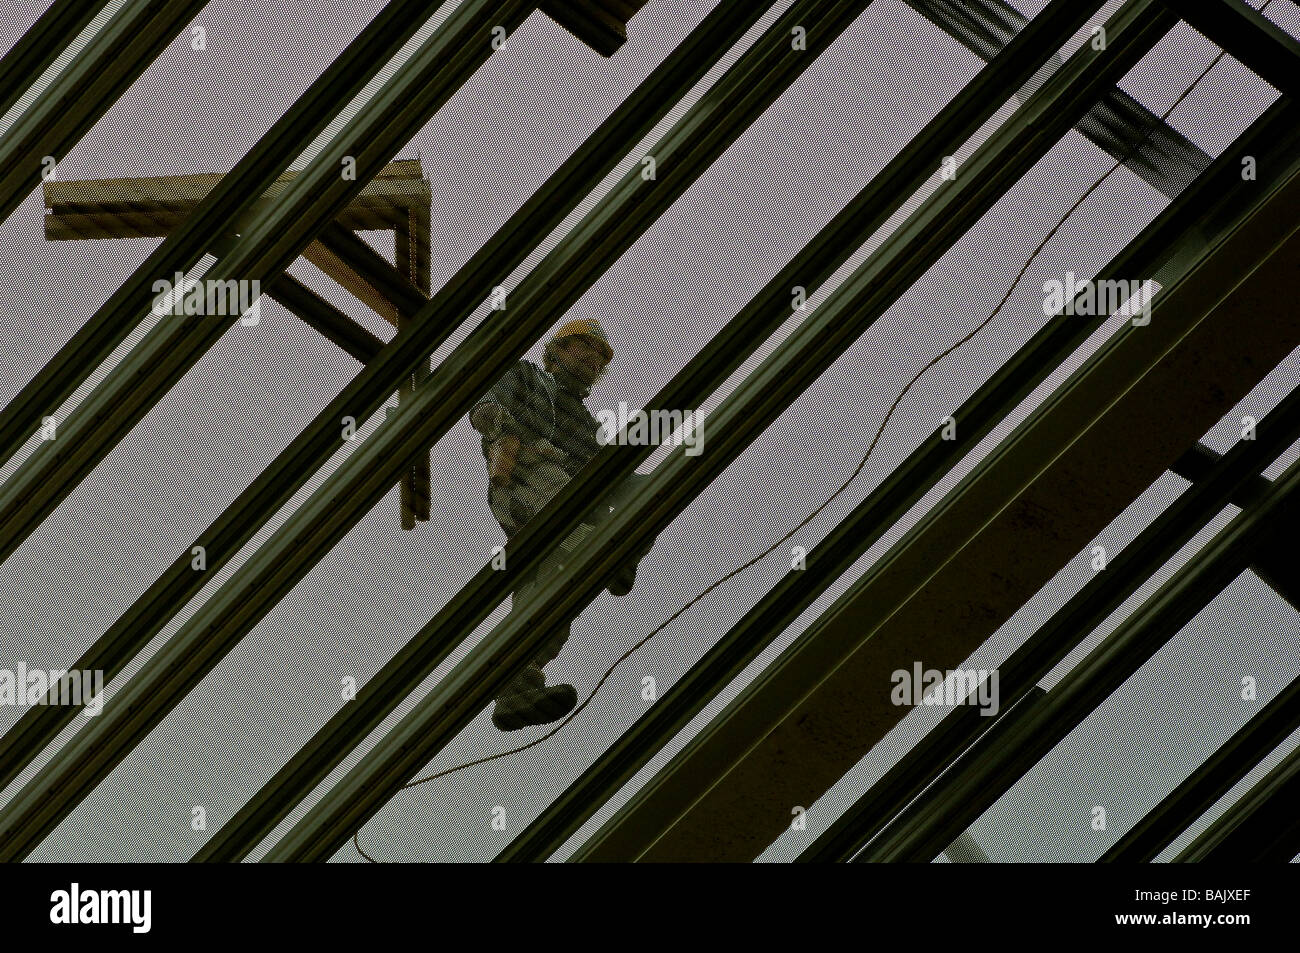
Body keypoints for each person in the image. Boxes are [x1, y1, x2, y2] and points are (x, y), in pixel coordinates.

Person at [469, 318, 651, 731]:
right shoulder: (527, 376)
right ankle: (613, 555)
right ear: (556, 351)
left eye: (599, 356)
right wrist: (497, 423)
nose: (591, 359)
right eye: (583, 347)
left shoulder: (584, 423)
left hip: (569, 501)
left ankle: (518, 687)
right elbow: (486, 406)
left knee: (554, 588)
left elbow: (606, 477)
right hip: (528, 481)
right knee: (577, 545)